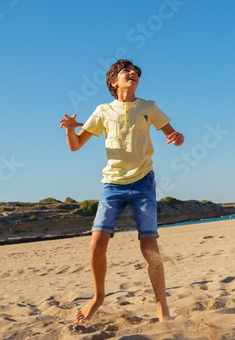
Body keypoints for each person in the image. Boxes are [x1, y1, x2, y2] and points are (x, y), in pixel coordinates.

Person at [60, 59, 184, 324]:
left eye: (136, 72)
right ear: (114, 82)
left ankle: (162, 307)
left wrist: (177, 138)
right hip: (112, 185)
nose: (133, 73)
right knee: (96, 244)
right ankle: (98, 297)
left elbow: (173, 133)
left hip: (143, 184)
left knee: (149, 246)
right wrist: (71, 130)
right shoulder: (103, 110)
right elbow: (75, 145)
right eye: (126, 71)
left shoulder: (148, 107)